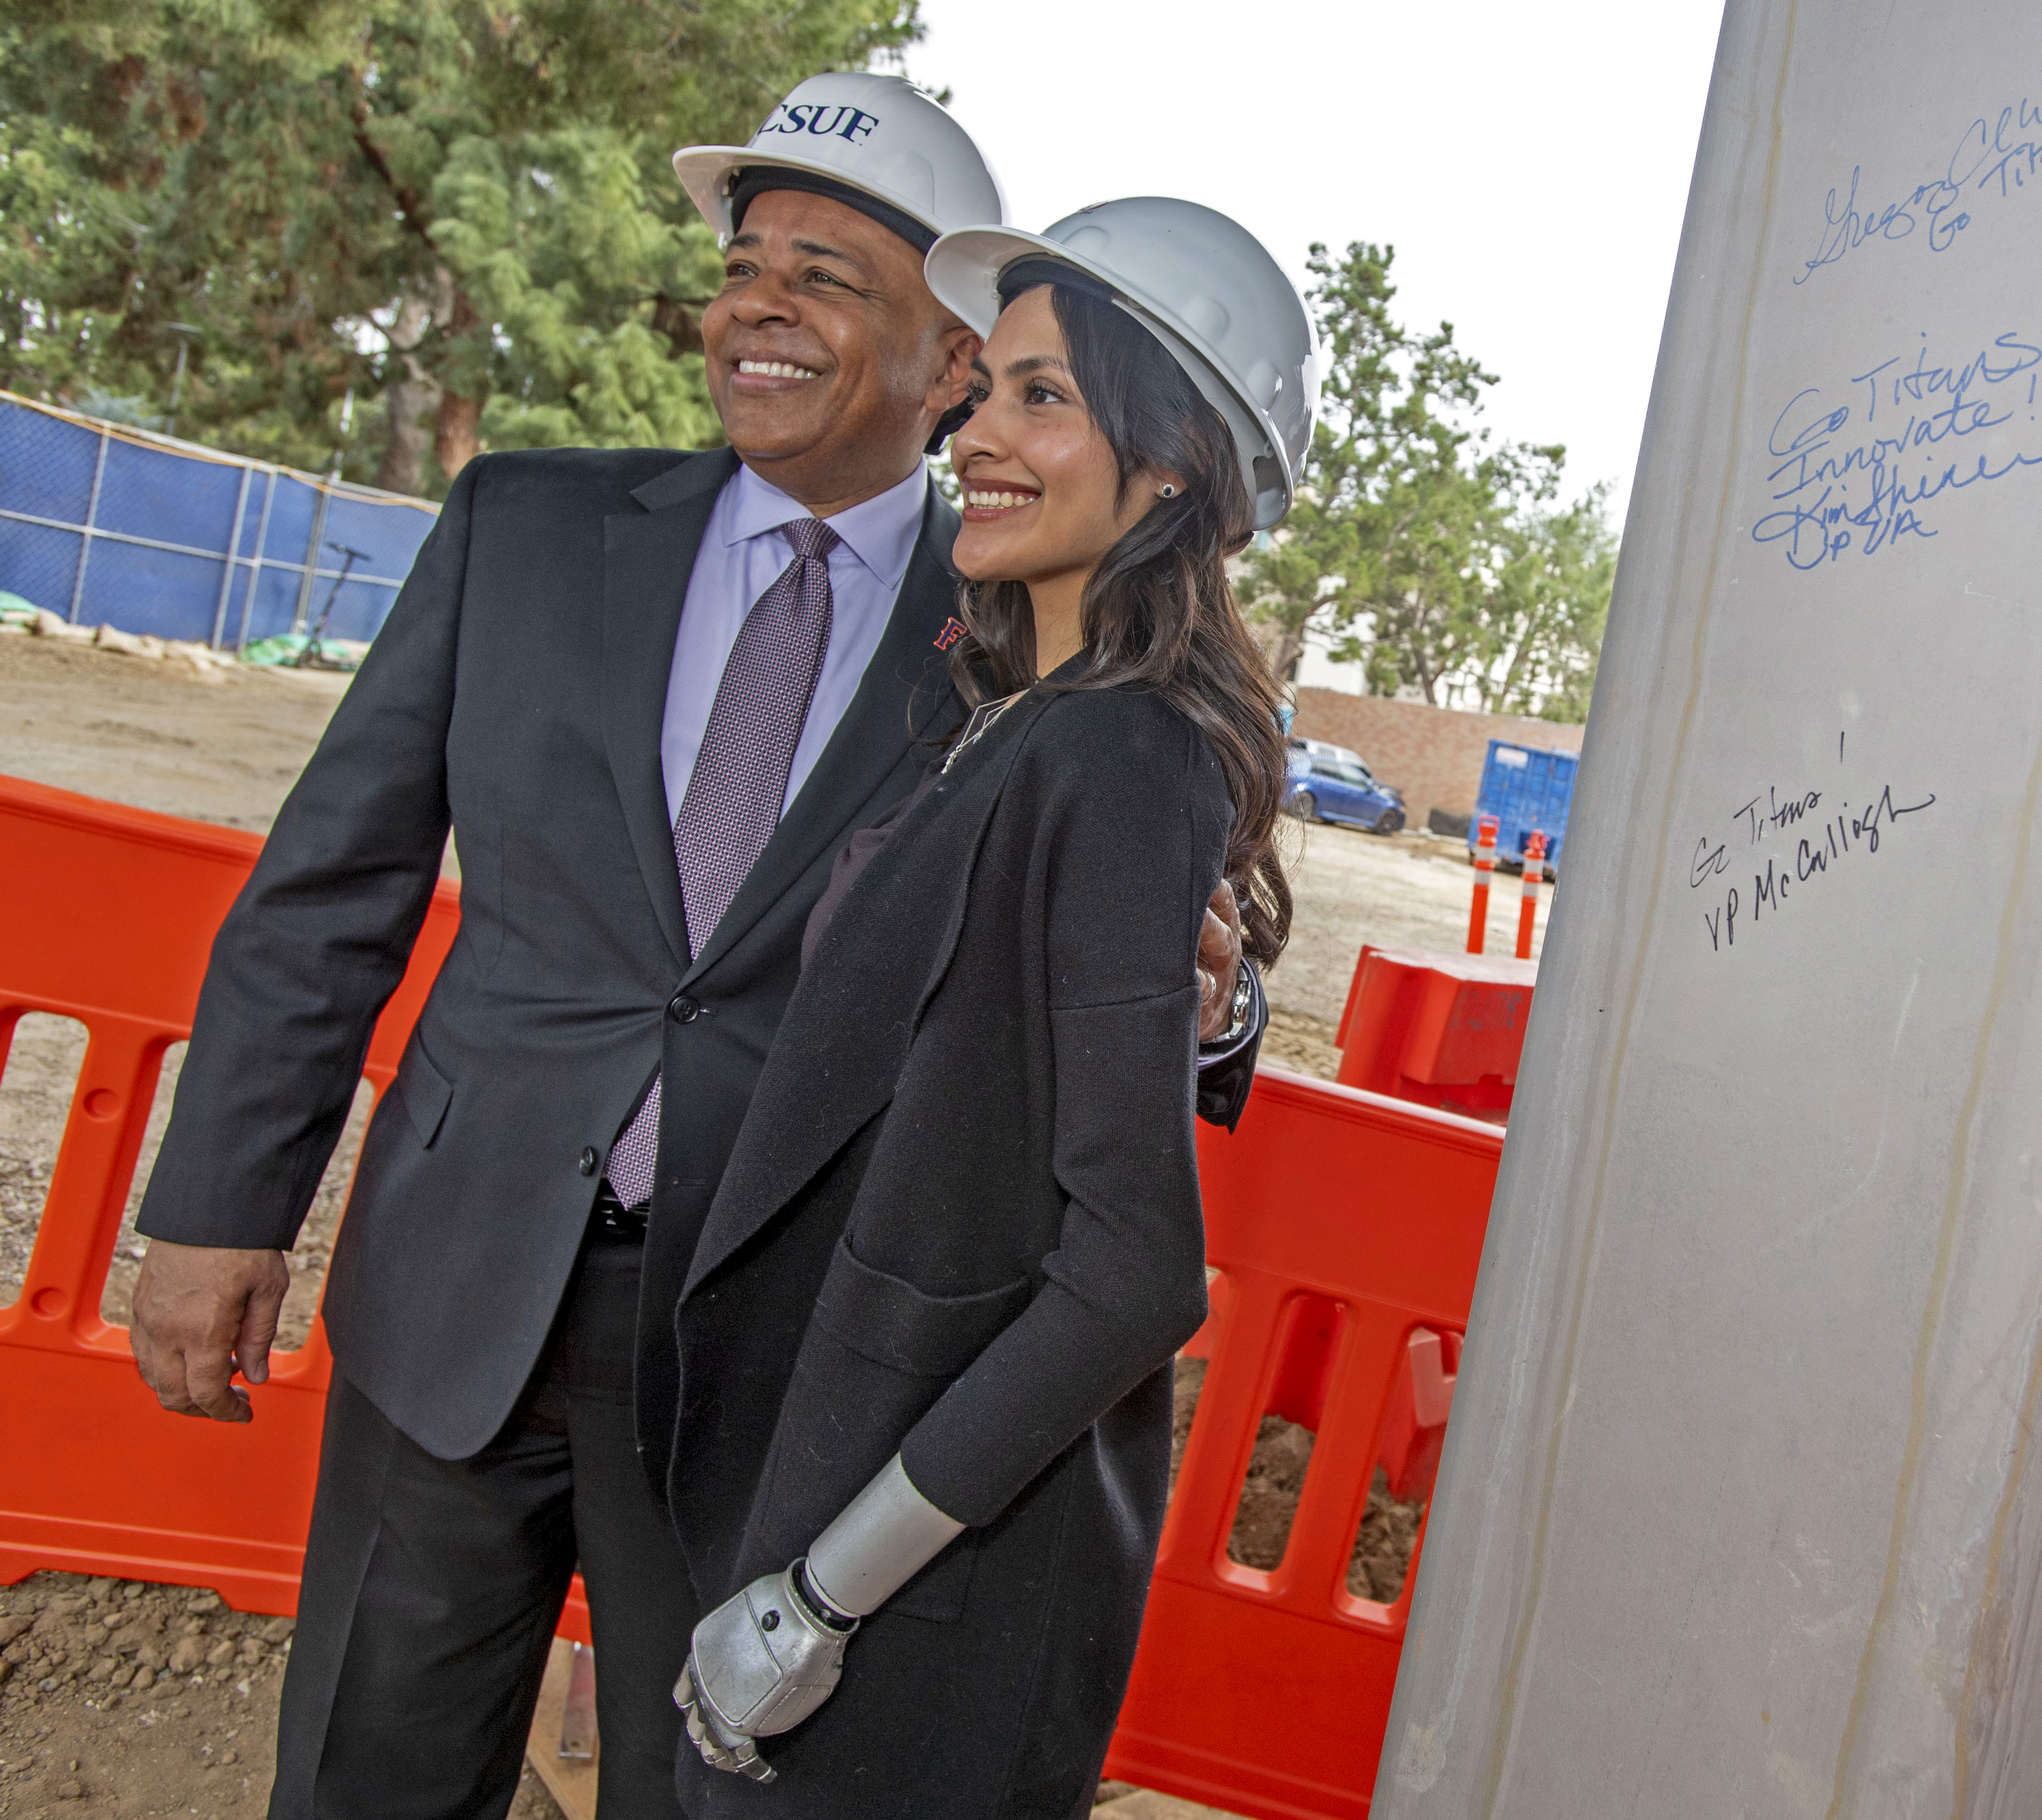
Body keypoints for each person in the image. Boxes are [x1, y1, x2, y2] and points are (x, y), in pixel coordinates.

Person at [123, 77, 1267, 1819]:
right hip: (457, 1291)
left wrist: (1217, 1007)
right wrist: (220, 1207)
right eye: (745, 266)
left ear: (950, 358)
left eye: (827, 277)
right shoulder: (523, 529)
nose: (759, 308)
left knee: (702, 1788)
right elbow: (327, 887)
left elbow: (1135, 939)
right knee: (369, 1774)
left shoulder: (1025, 619)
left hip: (765, 1360)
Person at [661, 198, 1316, 1816]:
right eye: (987, 389)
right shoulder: (1023, 716)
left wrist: (823, 1601)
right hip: (852, 1480)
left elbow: (1133, 1272)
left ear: (1173, 464)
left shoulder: (1121, 749)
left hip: (919, 1579)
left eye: (1046, 397)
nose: (978, 434)